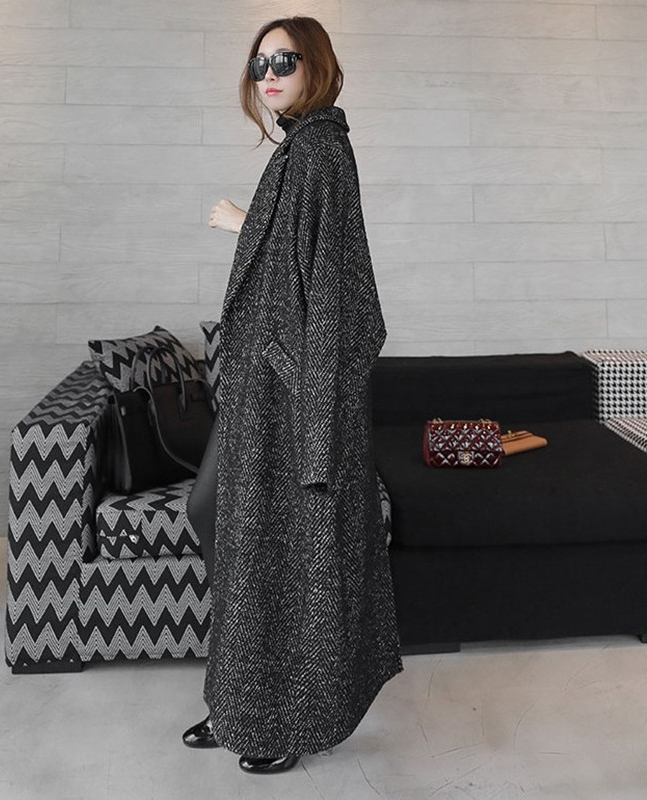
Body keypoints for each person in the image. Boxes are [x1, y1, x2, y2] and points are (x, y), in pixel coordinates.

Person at [183, 16, 402, 775]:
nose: (268, 75)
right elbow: (294, 256)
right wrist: (250, 228)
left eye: (285, 60)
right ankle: (241, 697)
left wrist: (318, 418)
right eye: (259, 63)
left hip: (292, 398)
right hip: (262, 392)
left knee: (277, 555)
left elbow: (337, 289)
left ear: (318, 65)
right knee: (221, 521)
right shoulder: (299, 150)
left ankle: (274, 720)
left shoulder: (322, 153)